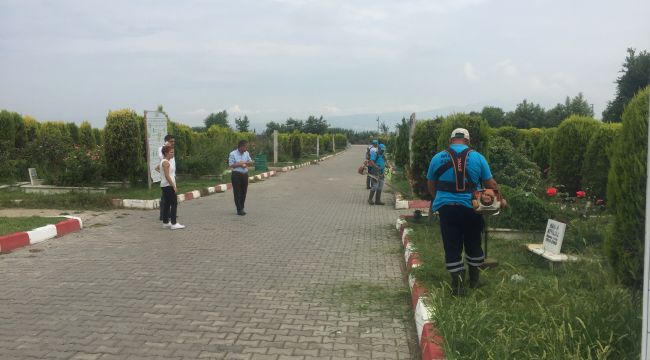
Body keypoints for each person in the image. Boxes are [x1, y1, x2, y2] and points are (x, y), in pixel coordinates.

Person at [426, 128, 502, 296]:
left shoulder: (437, 158)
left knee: (451, 245)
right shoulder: (478, 157)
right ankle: (474, 281)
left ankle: (458, 285)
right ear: (467, 141)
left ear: (450, 140)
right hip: (471, 208)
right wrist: (500, 199)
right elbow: (491, 185)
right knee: (473, 243)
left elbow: (431, 185)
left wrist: (440, 199)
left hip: (447, 209)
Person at [160, 145, 185, 230]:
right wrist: (173, 186)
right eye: (171, 152)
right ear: (166, 153)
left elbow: (158, 168)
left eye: (173, 152)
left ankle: (165, 222)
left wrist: (162, 174)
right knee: (174, 203)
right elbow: (167, 176)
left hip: (165, 185)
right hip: (168, 186)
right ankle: (174, 223)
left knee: (167, 204)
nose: (173, 154)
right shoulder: (166, 162)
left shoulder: (164, 161)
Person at [228, 140, 254, 216]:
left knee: (244, 192)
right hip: (236, 174)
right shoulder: (233, 154)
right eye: (245, 147)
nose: (246, 148)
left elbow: (250, 162)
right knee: (237, 192)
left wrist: (245, 163)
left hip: (245, 174)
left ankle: (242, 207)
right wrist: (239, 164)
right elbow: (231, 165)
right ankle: (239, 209)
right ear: (241, 146)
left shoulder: (246, 153)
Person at [158, 135, 175, 221]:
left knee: (167, 200)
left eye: (173, 141)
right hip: (167, 180)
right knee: (166, 199)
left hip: (171, 177)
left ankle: (168, 216)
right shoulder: (162, 149)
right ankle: (164, 216)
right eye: (171, 141)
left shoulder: (171, 150)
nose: (173, 143)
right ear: (167, 141)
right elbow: (162, 160)